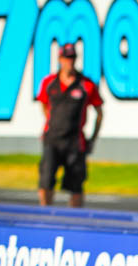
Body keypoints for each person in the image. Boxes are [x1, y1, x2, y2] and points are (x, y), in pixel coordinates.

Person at [36, 43, 103, 208]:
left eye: (72, 58)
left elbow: (99, 112)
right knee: (46, 180)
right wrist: (50, 122)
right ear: (60, 59)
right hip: (53, 138)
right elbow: (43, 104)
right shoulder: (49, 83)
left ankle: (75, 219)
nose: (69, 62)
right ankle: (45, 215)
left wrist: (93, 138)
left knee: (76, 184)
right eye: (66, 58)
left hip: (75, 141)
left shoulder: (86, 84)